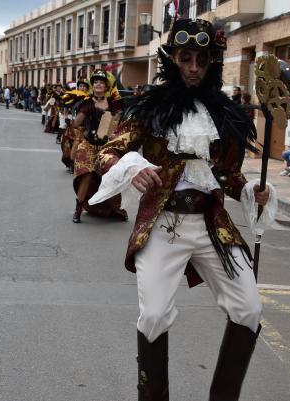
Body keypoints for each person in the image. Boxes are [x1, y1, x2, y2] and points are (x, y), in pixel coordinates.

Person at [95, 18, 273, 400]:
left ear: (212, 63)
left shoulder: (225, 115)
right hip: (163, 224)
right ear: (172, 59)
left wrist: (254, 192)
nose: (193, 67)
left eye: (201, 59)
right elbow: (107, 154)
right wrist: (133, 166)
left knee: (249, 309)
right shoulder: (149, 108)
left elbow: (228, 175)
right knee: (154, 316)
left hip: (211, 224)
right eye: (185, 57)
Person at [71, 70, 127, 223]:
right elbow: (76, 123)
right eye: (95, 82)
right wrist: (85, 110)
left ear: (106, 86)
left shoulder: (114, 104)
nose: (98, 84)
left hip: (106, 147)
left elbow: (117, 126)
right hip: (88, 145)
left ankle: (114, 208)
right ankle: (78, 209)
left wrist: (114, 117)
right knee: (86, 174)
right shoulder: (86, 102)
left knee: (112, 175)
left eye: (101, 82)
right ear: (92, 86)